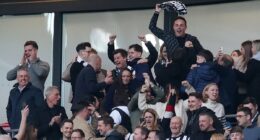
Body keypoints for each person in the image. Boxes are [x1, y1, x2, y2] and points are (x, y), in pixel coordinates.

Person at [149, 4, 204, 79]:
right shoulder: (168, 37)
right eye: (176, 25)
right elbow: (152, 27)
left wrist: (198, 63)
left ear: (185, 27)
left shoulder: (192, 39)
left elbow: (202, 54)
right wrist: (157, 12)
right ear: (173, 27)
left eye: (181, 25)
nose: (179, 27)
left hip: (190, 74)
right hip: (173, 74)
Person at [235, 39, 260, 106]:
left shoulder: (254, 62)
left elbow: (246, 77)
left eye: (252, 47)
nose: (251, 49)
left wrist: (234, 71)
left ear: (256, 48)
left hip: (254, 92)